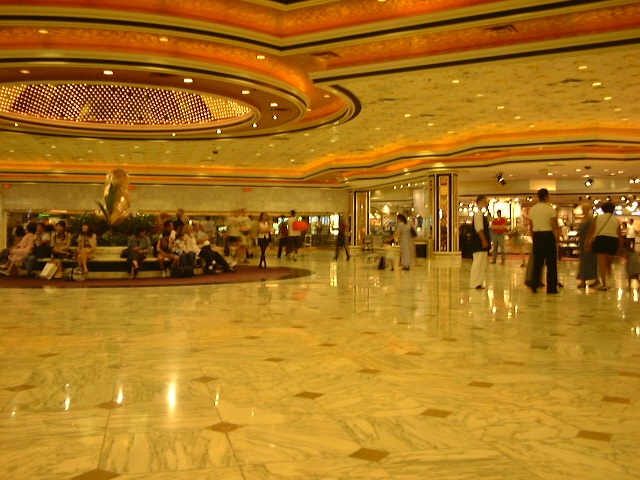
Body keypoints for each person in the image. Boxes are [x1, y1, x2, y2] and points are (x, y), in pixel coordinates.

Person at [526, 188, 561, 294]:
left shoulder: (532, 209)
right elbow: (554, 225)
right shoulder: (550, 209)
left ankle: (534, 285)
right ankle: (551, 288)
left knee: (537, 263)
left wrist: (534, 238)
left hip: (537, 236)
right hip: (548, 236)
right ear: (546, 196)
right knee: (551, 264)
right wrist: (557, 238)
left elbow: (531, 226)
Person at [586, 202, 622, 291]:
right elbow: (619, 233)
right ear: (613, 210)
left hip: (600, 239)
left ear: (602, 209)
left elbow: (591, 231)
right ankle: (611, 279)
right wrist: (620, 247)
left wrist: (588, 242)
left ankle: (604, 284)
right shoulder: (616, 220)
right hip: (613, 240)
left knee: (602, 263)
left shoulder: (597, 218)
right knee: (609, 262)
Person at [469, 195, 490, 289]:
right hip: (478, 241)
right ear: (480, 202)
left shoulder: (482, 214)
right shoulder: (478, 214)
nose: (486, 203)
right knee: (478, 262)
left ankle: (479, 281)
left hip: (481, 240)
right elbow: (479, 229)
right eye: (485, 201)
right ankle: (474, 282)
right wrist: (484, 240)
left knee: (482, 262)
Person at [576, 205, 598, 288]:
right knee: (584, 261)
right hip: (582, 242)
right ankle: (585, 279)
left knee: (589, 261)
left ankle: (585, 280)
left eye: (584, 209)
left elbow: (592, 231)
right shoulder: (585, 219)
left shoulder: (590, 220)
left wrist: (589, 241)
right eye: (582, 209)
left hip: (588, 242)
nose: (583, 210)